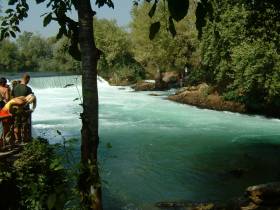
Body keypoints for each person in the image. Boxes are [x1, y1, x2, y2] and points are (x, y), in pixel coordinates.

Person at [11, 73, 34, 143]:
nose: (28, 82)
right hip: (24, 109)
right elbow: (30, 100)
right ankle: (25, 140)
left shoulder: (14, 88)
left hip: (15, 109)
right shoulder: (28, 88)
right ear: (27, 79)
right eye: (28, 80)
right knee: (25, 125)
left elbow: (12, 98)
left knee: (16, 124)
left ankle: (17, 139)